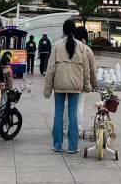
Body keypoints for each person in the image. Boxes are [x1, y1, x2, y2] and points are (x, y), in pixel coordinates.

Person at [43, 19, 92, 154]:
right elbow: (86, 69)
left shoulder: (57, 45)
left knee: (58, 114)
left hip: (59, 84)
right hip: (76, 85)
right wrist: (87, 86)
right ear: (74, 31)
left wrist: (47, 89)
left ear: (63, 31)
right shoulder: (82, 47)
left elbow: (50, 69)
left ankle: (57, 145)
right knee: (73, 114)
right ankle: (73, 146)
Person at [73, 25, 97, 136]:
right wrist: (94, 84)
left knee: (67, 105)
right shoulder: (87, 50)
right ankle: (77, 129)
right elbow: (92, 69)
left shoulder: (69, 47)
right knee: (79, 105)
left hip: (70, 81)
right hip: (82, 82)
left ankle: (65, 127)